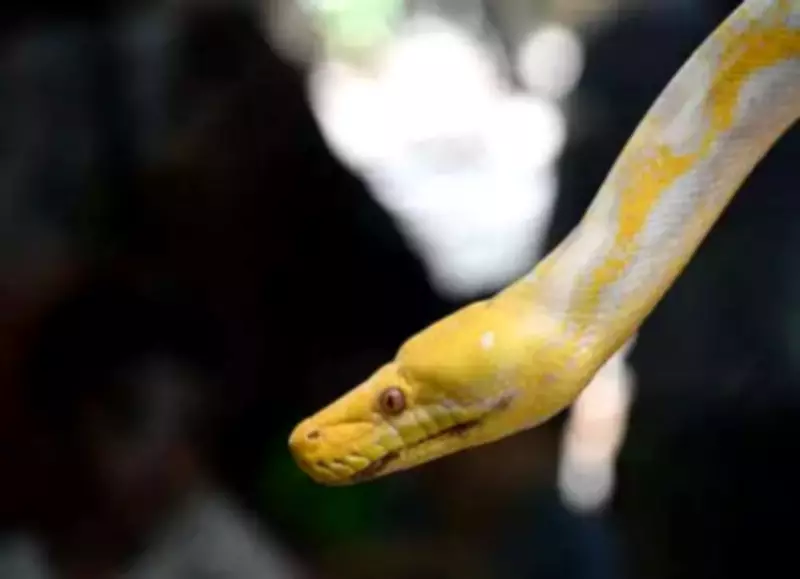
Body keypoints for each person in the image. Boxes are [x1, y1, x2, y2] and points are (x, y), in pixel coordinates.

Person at [1, 275, 308, 579]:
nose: (168, 462)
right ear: (62, 425)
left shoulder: (221, 557)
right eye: (132, 422)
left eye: (189, 434)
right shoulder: (17, 561)